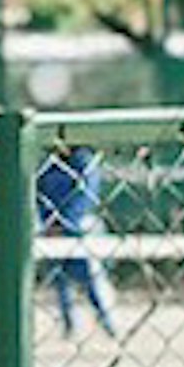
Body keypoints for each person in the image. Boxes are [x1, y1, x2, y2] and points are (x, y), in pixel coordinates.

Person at [35, 143, 118, 338]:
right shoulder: (49, 165)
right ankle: (69, 324)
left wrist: (66, 223)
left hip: (80, 227)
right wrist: (48, 222)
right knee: (59, 277)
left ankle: (106, 320)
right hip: (53, 228)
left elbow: (86, 196)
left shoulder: (84, 161)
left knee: (91, 277)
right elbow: (39, 195)